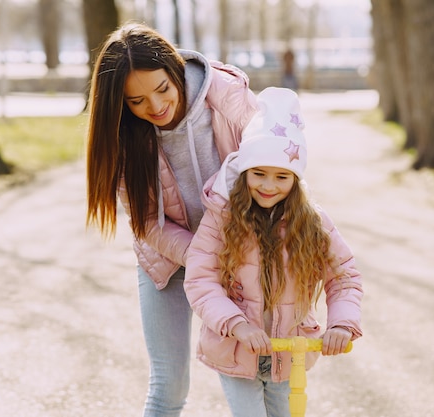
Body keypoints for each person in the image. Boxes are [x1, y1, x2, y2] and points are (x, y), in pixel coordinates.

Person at [85, 22, 258, 417]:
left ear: (175, 69)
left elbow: (276, 159)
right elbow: (147, 223)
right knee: (168, 384)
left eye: (162, 89)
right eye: (137, 101)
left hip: (240, 254)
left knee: (249, 375)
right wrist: (203, 257)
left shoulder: (225, 94)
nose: (156, 107)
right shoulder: (124, 136)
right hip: (168, 260)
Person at [183, 87, 363, 417]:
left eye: (282, 176)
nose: (268, 186)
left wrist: (341, 324)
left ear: (296, 179)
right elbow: (200, 279)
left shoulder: (312, 222)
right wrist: (237, 325)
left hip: (288, 351)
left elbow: (344, 277)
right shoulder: (222, 219)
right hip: (237, 346)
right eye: (259, 174)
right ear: (244, 172)